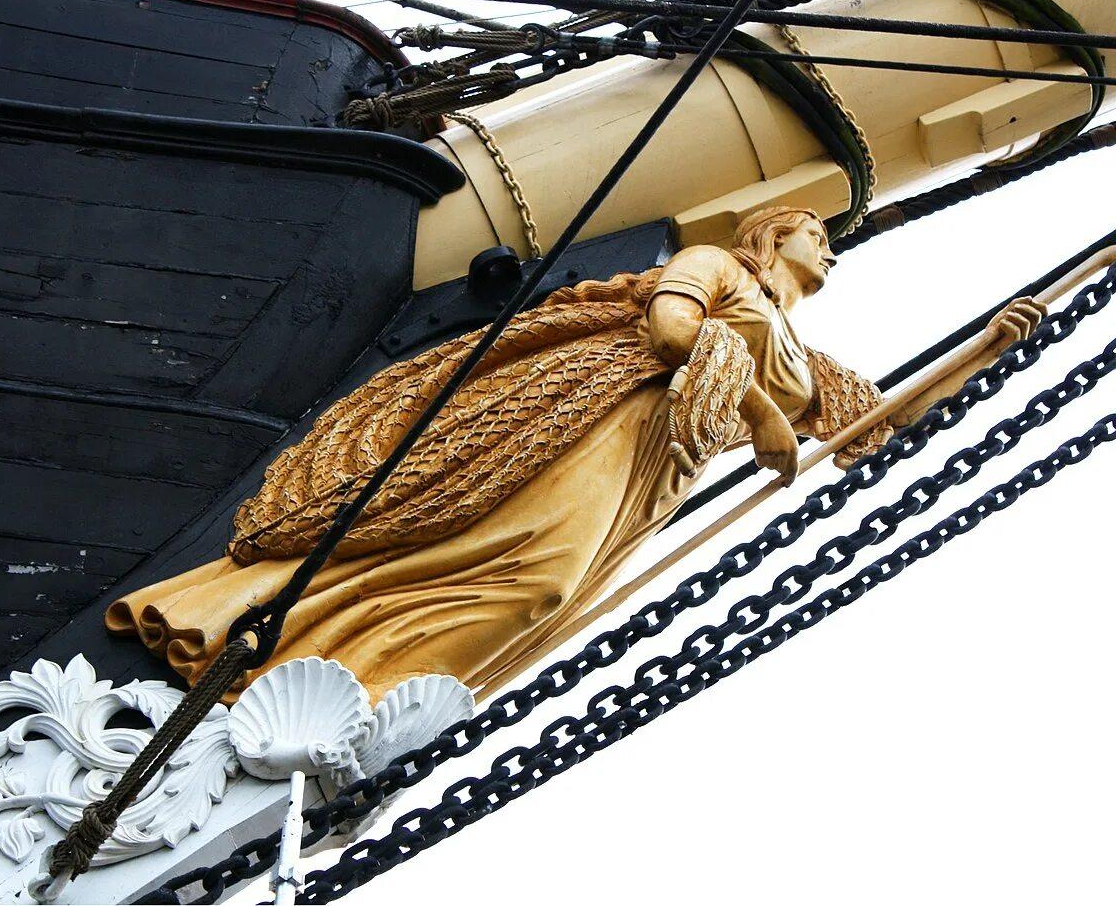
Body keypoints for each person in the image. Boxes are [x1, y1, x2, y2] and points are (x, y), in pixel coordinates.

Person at [107, 206, 1044, 701]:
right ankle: (269, 645)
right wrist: (757, 407)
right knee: (530, 576)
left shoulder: (810, 360)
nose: (828, 251)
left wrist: (988, 350)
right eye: (818, 234)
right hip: (608, 417)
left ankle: (357, 688)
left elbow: (874, 425)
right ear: (774, 232)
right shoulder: (723, 267)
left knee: (547, 602)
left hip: (659, 474)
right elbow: (672, 327)